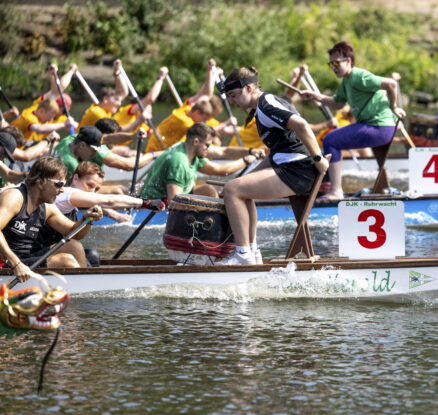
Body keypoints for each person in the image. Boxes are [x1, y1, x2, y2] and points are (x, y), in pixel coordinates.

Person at [215, 65, 330, 265]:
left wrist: (318, 158)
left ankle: (243, 255)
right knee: (239, 187)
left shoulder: (266, 105)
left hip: (298, 171)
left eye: (234, 95)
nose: (232, 102)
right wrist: (244, 179)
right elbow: (277, 151)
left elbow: (302, 125)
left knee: (232, 190)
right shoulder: (262, 106)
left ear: (249, 88)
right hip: (291, 167)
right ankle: (251, 252)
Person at [300, 41, 405, 199]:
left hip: (379, 127)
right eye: (331, 64)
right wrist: (315, 96)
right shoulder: (346, 82)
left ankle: (336, 191)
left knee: (330, 140)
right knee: (332, 139)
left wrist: (394, 107)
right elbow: (337, 103)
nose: (333, 68)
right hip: (373, 126)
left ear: (348, 61)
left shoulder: (357, 76)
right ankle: (381, 188)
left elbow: (391, 84)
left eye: (336, 63)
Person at [0, 156, 103, 282]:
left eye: (63, 184)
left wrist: (87, 219)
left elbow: (75, 233)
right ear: (40, 181)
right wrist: (16, 264)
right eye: (58, 184)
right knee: (66, 261)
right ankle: (80, 290)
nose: (62, 190)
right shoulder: (15, 197)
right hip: (5, 262)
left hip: (26, 258)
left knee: (73, 246)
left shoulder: (47, 208)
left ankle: (85, 286)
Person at [139, 122, 260, 203]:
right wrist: (246, 160)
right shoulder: (179, 162)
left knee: (209, 191)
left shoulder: (190, 149)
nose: (209, 148)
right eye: (207, 145)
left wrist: (250, 151)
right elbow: (174, 203)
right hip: (155, 202)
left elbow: (224, 152)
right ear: (196, 141)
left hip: (172, 194)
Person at [54, 125, 158, 187]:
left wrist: (133, 136)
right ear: (82, 145)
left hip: (61, 181)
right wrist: (154, 154)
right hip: (62, 193)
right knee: (118, 190)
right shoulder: (71, 163)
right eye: (93, 150)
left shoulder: (71, 139)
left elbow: (107, 138)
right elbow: (85, 194)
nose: (93, 155)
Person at [76, 60, 130, 130]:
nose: (119, 104)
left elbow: (124, 92)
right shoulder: (98, 113)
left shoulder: (106, 110)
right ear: (105, 99)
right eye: (116, 99)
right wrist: (139, 121)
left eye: (120, 101)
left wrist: (117, 73)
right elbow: (116, 132)